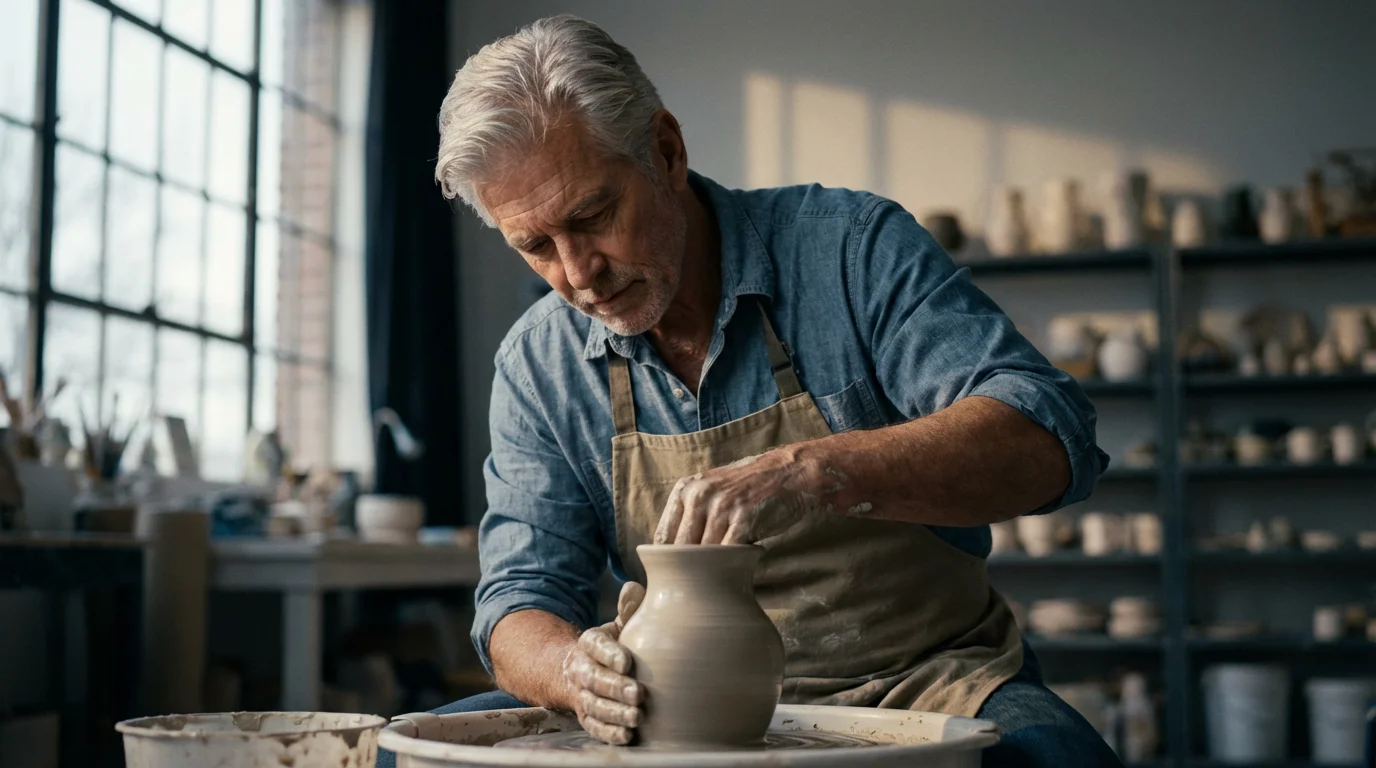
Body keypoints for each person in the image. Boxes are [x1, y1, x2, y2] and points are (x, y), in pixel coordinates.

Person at [380, 14, 1123, 768]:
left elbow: (1049, 436)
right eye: (537, 246)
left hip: (922, 682)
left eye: (593, 216)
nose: (578, 274)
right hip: (672, 705)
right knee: (405, 754)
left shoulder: (850, 249)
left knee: (1063, 761)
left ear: (666, 151)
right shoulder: (540, 362)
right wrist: (574, 673)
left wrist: (819, 470)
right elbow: (520, 598)